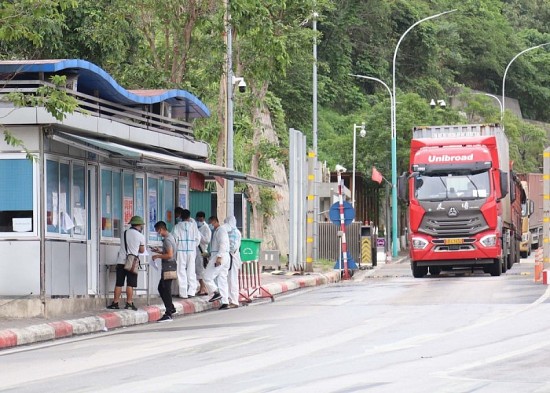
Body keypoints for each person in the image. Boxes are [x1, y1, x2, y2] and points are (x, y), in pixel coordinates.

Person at [107, 215, 145, 311]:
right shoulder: (141, 236)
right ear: (139, 225)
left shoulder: (124, 233)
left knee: (119, 283)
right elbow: (142, 250)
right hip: (132, 262)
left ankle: (115, 302)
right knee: (130, 283)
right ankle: (129, 303)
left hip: (121, 261)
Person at [172, 207, 200, 298]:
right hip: (191, 251)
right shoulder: (194, 227)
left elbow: (174, 239)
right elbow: (198, 239)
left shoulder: (177, 227)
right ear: (189, 217)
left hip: (181, 251)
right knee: (191, 271)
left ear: (180, 216)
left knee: (181, 271)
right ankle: (191, 291)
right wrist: (193, 245)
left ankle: (183, 292)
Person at [152, 221, 177, 322]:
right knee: (162, 288)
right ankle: (171, 307)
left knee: (165, 289)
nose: (158, 233)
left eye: (157, 231)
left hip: (168, 266)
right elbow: (168, 252)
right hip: (170, 265)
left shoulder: (167, 240)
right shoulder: (171, 237)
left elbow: (170, 255)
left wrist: (158, 256)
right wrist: (159, 251)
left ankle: (168, 313)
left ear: (161, 229)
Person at [203, 216, 230, 310]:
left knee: (206, 277)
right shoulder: (217, 231)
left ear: (215, 221)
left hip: (220, 256)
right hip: (223, 256)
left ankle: (215, 292)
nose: (209, 224)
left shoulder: (221, 231)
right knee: (222, 279)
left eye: (210, 222)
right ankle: (225, 302)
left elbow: (223, 244)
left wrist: (219, 257)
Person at [224, 216, 242, 309]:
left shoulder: (233, 232)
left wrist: (224, 251)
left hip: (232, 257)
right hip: (231, 257)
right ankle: (230, 299)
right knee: (229, 279)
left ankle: (234, 300)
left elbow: (233, 246)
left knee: (232, 279)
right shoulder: (233, 232)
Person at [194, 211, 211, 296]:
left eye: (200, 219)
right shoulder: (195, 226)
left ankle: (204, 288)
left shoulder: (206, 228)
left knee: (201, 270)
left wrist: (199, 235)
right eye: (197, 219)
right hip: (197, 251)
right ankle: (202, 288)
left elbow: (207, 240)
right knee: (198, 270)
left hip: (203, 251)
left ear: (203, 218)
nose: (198, 221)